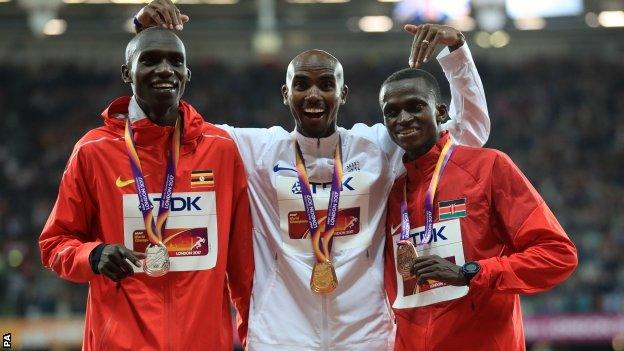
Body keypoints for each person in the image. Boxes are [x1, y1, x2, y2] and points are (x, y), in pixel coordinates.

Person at [135, 3, 490, 349]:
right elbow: (167, 127)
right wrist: (143, 35)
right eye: (302, 84)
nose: (314, 94)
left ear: (343, 93)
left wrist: (456, 51)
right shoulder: (253, 150)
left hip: (365, 334)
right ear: (286, 94)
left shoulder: (378, 146)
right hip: (279, 334)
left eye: (326, 84)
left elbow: (468, 133)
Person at [38, 28, 253, 351]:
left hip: (204, 341)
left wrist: (253, 336)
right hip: (119, 342)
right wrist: (92, 255)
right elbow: (54, 244)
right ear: (128, 72)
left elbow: (242, 266)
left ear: (186, 74)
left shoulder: (220, 149)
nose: (165, 69)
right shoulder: (94, 151)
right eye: (150, 60)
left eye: (175, 62)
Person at [380, 68, 578, 350]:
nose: (403, 119)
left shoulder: (488, 167)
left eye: (415, 107)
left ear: (440, 111)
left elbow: (558, 255)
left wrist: (469, 273)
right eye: (392, 112)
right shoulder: (390, 192)